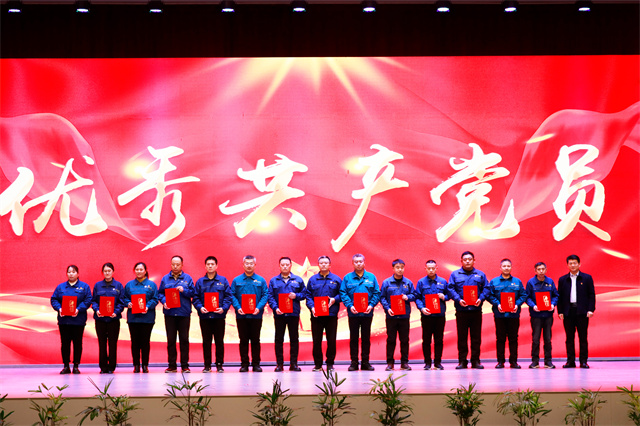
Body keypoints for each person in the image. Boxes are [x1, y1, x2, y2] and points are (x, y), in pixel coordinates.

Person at [447, 251, 489, 369]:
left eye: (470, 259)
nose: (467, 261)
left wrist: (481, 298)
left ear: (474, 260)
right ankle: (462, 361)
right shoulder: (455, 274)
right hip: (461, 311)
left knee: (476, 337)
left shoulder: (480, 274)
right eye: (465, 259)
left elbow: (487, 288)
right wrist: (458, 299)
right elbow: (450, 288)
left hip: (476, 310)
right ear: (461, 261)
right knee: (462, 337)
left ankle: (475, 361)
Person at [339, 253, 380, 371]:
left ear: (364, 263)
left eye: (360, 261)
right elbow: (343, 293)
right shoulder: (347, 278)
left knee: (366, 338)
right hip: (353, 313)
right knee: (354, 338)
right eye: (356, 262)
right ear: (352, 263)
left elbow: (377, 293)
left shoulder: (371, 277)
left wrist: (371, 305)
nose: (358, 264)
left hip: (367, 313)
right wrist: (349, 305)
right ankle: (354, 362)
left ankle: (366, 362)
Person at [193, 256, 232, 373]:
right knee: (206, 342)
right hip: (205, 317)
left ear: (216, 266)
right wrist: (200, 307)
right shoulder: (200, 282)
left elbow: (228, 297)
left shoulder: (223, 281)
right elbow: (195, 298)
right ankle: (207, 365)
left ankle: (219, 365)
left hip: (219, 316)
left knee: (219, 341)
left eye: (212, 264)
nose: (210, 266)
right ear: (205, 266)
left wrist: (223, 308)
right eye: (208, 264)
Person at [50, 265, 92, 374]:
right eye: (69, 272)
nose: (71, 274)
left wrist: (78, 309)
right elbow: (54, 299)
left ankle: (76, 365)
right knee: (65, 344)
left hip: (78, 321)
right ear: (66, 274)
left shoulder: (84, 287)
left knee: (78, 343)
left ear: (78, 274)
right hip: (64, 321)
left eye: (73, 272)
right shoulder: (61, 287)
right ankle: (66, 366)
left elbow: (88, 300)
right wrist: (59, 308)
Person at [230, 255, 268, 372]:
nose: (249, 265)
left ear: (255, 265)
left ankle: (256, 364)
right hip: (241, 315)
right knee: (243, 340)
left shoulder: (261, 280)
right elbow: (232, 295)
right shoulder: (237, 280)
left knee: (256, 340)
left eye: (251, 263)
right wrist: (237, 307)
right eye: (247, 263)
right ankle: (244, 364)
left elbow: (265, 295)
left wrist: (259, 307)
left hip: (256, 315)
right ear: (243, 265)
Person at [487, 259, 527, 369]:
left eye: (508, 266)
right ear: (500, 268)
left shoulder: (517, 281)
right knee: (500, 339)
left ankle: (513, 361)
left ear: (511, 267)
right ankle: (500, 362)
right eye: (504, 266)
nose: (506, 268)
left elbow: (523, 295)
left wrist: (517, 304)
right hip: (499, 315)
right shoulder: (494, 281)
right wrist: (497, 304)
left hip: (513, 315)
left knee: (513, 339)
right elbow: (489, 295)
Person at [557, 254, 596, 369]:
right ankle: (570, 361)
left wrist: (591, 309)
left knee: (583, 338)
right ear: (567, 265)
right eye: (570, 263)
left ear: (579, 264)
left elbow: (591, 295)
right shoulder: (563, 279)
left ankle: (583, 361)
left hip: (582, 312)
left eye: (575, 263)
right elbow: (560, 297)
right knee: (569, 338)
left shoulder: (587, 278)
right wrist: (560, 311)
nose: (573, 265)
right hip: (568, 312)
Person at [268, 256, 306, 372]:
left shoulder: (298, 280)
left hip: (293, 314)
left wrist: (296, 296)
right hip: (279, 314)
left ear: (290, 266)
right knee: (279, 339)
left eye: (287, 264)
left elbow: (304, 294)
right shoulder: (274, 280)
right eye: (282, 265)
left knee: (294, 339)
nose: (285, 266)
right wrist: (275, 308)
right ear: (279, 266)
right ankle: (279, 364)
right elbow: (270, 296)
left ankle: (293, 364)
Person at [305, 255, 342, 372]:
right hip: (317, 315)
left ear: (330, 265)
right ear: (318, 265)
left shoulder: (336, 279)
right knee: (317, 340)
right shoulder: (312, 280)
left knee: (331, 340)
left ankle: (330, 363)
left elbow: (343, 294)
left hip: (331, 315)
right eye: (321, 263)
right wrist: (312, 307)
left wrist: (335, 299)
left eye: (326, 263)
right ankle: (318, 365)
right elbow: (308, 296)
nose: (324, 265)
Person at [159, 255, 195, 373]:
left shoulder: (187, 278)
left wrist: (184, 290)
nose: (175, 266)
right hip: (170, 313)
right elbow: (160, 294)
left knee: (184, 340)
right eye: (173, 264)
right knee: (171, 340)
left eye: (178, 264)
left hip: (183, 313)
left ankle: (185, 365)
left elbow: (193, 293)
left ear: (182, 265)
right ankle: (172, 365)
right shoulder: (165, 279)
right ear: (170, 265)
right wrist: (164, 302)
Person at [380, 259, 415, 371]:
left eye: (402, 267)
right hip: (391, 316)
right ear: (393, 268)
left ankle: (404, 363)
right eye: (397, 267)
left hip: (404, 316)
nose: (400, 269)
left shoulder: (408, 283)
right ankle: (390, 363)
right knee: (391, 340)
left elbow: (414, 295)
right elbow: (382, 297)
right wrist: (387, 308)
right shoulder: (386, 283)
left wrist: (408, 297)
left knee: (404, 340)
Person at [124, 262, 158, 373]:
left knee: (145, 342)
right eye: (137, 269)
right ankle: (136, 365)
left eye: (141, 269)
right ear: (134, 271)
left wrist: (147, 306)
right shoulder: (129, 285)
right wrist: (128, 303)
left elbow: (155, 299)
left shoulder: (151, 285)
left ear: (145, 271)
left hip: (147, 318)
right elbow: (124, 298)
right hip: (133, 318)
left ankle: (145, 365)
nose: (139, 271)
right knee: (134, 342)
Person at [91, 262, 125, 374]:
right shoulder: (97, 285)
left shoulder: (118, 286)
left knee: (112, 343)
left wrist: (116, 312)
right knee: (102, 343)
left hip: (113, 320)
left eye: (109, 271)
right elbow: (94, 301)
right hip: (100, 319)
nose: (107, 273)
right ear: (102, 272)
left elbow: (121, 302)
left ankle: (111, 367)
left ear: (113, 272)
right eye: (105, 271)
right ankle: (103, 367)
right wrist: (97, 310)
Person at [414, 259, 449, 370]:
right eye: (429, 268)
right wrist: (421, 308)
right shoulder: (421, 282)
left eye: (433, 268)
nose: (431, 270)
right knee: (426, 340)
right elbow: (417, 297)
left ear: (436, 268)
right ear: (425, 269)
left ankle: (438, 362)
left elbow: (449, 294)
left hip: (439, 316)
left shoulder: (443, 281)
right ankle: (427, 363)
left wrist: (444, 297)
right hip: (427, 316)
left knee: (439, 340)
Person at [525, 262, 559, 369]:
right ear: (535, 271)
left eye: (543, 269)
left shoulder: (550, 282)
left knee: (547, 339)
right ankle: (535, 361)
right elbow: (527, 297)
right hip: (536, 315)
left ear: (546, 270)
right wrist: (533, 305)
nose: (541, 271)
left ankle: (548, 361)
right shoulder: (531, 282)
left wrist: (553, 304)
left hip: (548, 315)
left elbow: (556, 295)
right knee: (535, 339)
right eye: (539, 269)